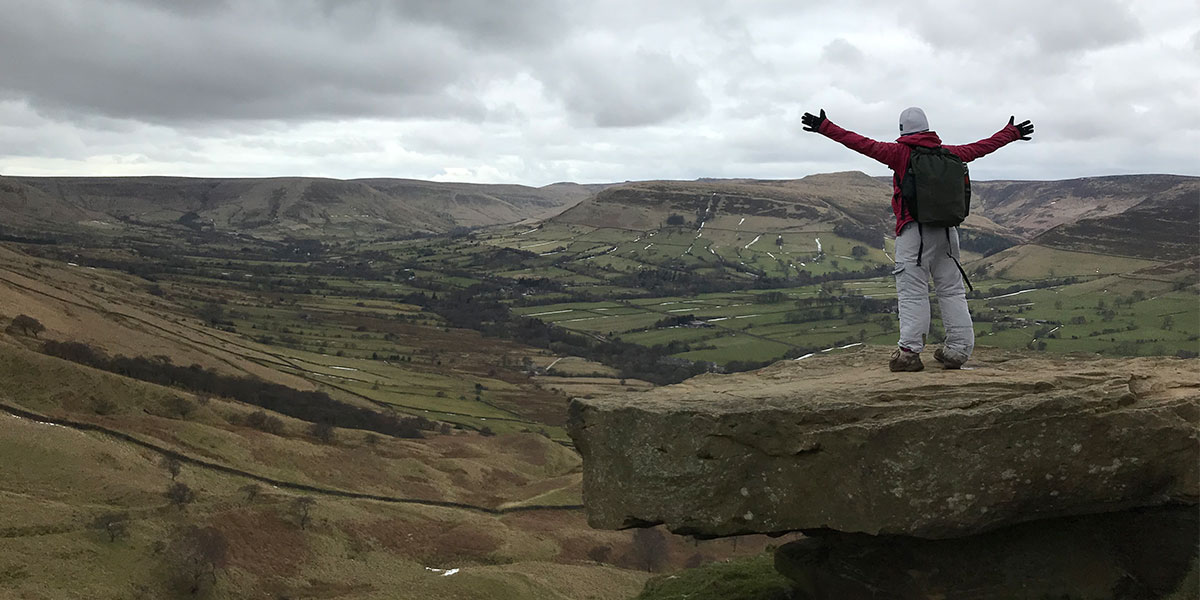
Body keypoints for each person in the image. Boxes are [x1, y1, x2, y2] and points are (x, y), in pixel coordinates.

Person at [800, 107, 1034, 371]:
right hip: (947, 232)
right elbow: (981, 147)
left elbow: (861, 143)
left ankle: (909, 354)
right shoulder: (950, 153)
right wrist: (1011, 133)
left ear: (902, 130)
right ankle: (957, 350)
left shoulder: (900, 153)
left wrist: (824, 127)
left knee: (913, 292)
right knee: (952, 290)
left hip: (915, 234)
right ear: (927, 127)